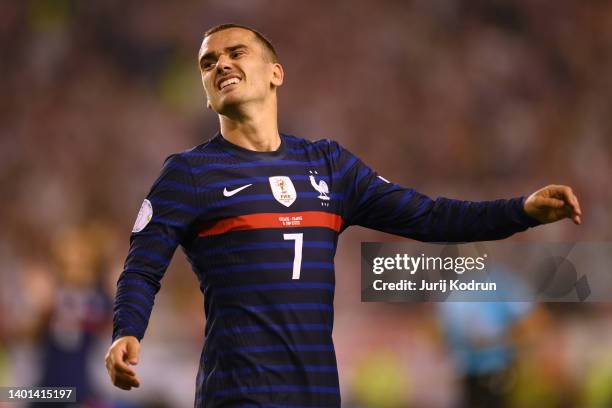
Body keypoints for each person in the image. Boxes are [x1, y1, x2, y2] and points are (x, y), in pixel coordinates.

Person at [104, 23, 582, 407]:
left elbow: (431, 217)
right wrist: (127, 330)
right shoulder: (189, 173)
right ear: (207, 94)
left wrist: (521, 211)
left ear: (276, 73)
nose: (221, 64)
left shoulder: (329, 166)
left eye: (236, 52)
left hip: (317, 393)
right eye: (208, 62)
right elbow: (142, 268)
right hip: (238, 393)